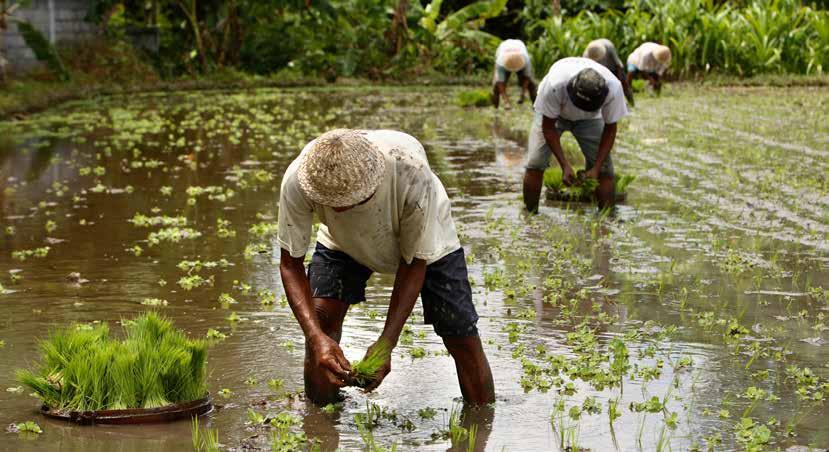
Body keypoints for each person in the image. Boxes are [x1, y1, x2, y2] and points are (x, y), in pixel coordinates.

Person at [277, 128, 495, 406]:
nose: (342, 210)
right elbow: (290, 264)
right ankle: (321, 421)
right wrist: (315, 336)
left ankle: (482, 420)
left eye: (350, 202)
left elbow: (414, 263)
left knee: (459, 332)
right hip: (341, 241)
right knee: (320, 321)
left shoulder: (409, 170)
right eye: (333, 204)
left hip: (430, 238)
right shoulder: (302, 178)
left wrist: (387, 342)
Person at [523, 57, 629, 212]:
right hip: (555, 116)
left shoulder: (614, 88)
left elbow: (610, 129)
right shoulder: (554, 85)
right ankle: (530, 215)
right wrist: (564, 165)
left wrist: (597, 167)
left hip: (591, 120)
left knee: (605, 171)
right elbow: (548, 128)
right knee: (535, 163)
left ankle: (608, 219)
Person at [583, 38, 635, 106]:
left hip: (613, 67)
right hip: (599, 70)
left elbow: (617, 64)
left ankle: (632, 103)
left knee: (623, 84)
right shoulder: (588, 52)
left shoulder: (608, 45)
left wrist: (618, 80)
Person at [492, 39, 537, 109]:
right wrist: (506, 101)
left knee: (532, 84)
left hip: (520, 55)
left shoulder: (526, 59)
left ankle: (537, 107)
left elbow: (527, 78)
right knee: (496, 85)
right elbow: (500, 83)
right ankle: (496, 107)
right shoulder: (500, 62)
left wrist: (523, 94)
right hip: (504, 57)